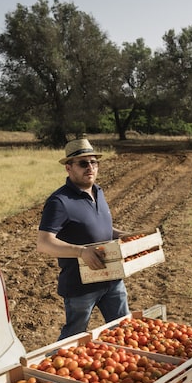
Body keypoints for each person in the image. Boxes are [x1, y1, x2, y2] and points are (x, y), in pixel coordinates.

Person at [37, 137, 130, 340]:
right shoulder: (59, 201)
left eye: (94, 162)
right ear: (68, 168)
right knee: (74, 339)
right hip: (80, 286)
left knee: (124, 330)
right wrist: (81, 252)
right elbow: (44, 243)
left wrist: (122, 235)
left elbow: (100, 227)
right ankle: (52, 369)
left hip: (112, 278)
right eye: (83, 163)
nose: (90, 167)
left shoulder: (98, 191)